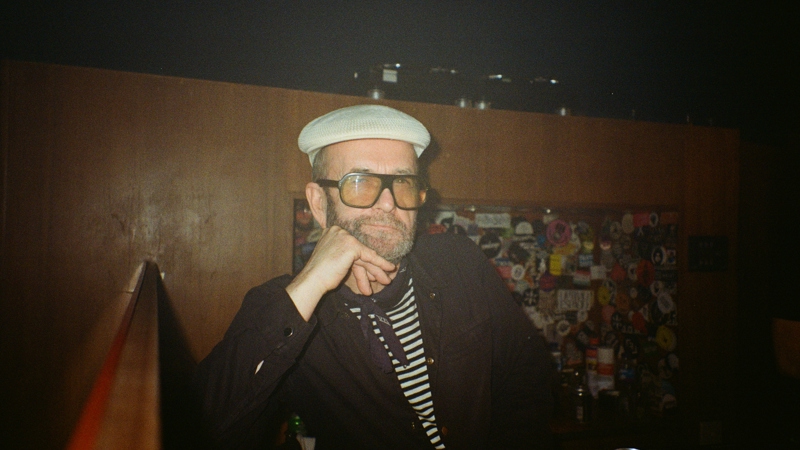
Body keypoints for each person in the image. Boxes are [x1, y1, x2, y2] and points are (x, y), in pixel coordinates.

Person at [194, 104, 555, 449]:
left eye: (403, 182)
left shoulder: (460, 264)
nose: (388, 203)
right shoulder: (286, 307)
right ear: (319, 203)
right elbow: (201, 431)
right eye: (360, 182)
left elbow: (528, 378)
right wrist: (309, 285)